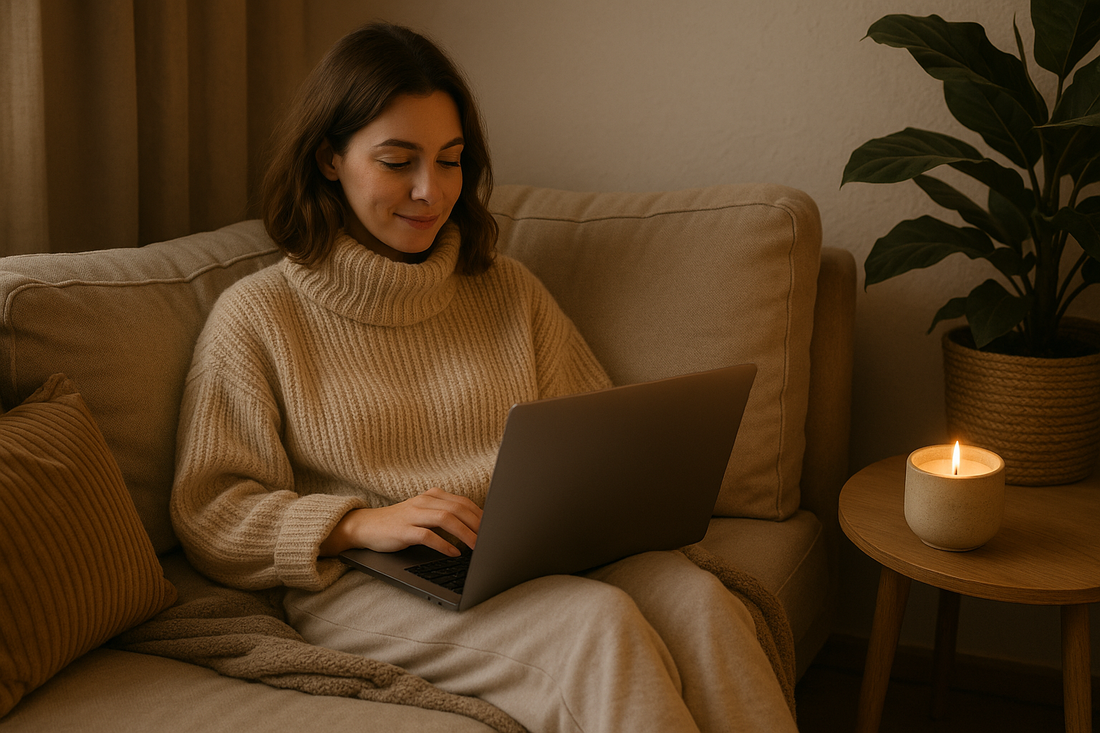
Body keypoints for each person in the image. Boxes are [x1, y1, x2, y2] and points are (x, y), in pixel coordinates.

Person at [170, 21, 797, 733]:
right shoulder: (257, 316)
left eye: (450, 159)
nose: (428, 190)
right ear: (329, 158)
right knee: (600, 625)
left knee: (704, 603)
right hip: (370, 580)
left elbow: (592, 436)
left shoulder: (507, 289)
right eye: (398, 160)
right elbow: (210, 512)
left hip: (520, 554)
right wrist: (356, 522)